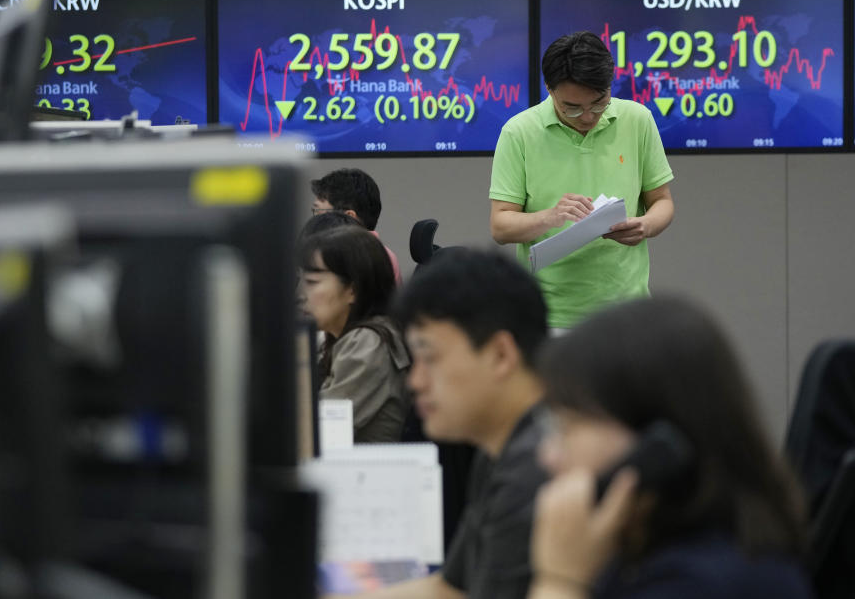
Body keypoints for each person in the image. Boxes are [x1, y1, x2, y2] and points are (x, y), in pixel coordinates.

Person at [526, 297, 813, 599]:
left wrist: (560, 581)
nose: (548, 455)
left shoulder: (704, 583)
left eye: (568, 428)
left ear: (658, 444)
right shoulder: (636, 550)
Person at [328, 250, 551, 599]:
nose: (415, 381)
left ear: (501, 355)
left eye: (429, 358)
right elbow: (449, 588)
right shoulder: (500, 451)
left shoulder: (537, 469)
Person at [489, 31, 675, 330]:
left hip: (627, 310)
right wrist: (550, 217)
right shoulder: (519, 132)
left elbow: (662, 201)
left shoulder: (638, 119)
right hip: (549, 316)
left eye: (599, 102)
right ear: (550, 90)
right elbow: (500, 226)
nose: (588, 116)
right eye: (572, 107)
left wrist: (646, 225)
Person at [298, 226, 410, 443]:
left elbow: (312, 431)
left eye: (312, 283)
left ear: (353, 290)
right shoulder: (345, 338)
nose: (301, 294)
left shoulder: (368, 344)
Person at [311, 168, 402, 284]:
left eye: (318, 212)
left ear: (349, 217)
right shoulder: (383, 254)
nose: (314, 221)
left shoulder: (359, 258)